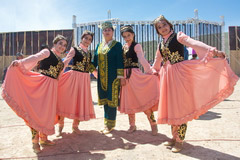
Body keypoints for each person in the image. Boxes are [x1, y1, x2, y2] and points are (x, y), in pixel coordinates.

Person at [151, 15, 239, 153]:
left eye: (164, 25)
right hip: (167, 76)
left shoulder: (178, 36)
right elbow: (157, 60)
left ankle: (180, 140)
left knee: (180, 107)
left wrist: (213, 51)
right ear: (157, 31)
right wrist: (151, 72)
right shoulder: (160, 43)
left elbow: (194, 43)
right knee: (172, 106)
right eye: (159, 27)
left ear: (169, 24)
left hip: (179, 74)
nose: (163, 28)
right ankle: (174, 137)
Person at [1, 35, 68, 153]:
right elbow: (35, 57)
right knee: (36, 113)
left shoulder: (61, 62)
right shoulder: (47, 52)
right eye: (60, 43)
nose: (62, 47)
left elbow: (59, 77)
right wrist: (20, 62)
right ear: (55, 43)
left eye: (64, 45)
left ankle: (44, 138)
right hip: (42, 85)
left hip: (51, 89)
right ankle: (35, 142)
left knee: (47, 114)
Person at [119, 25, 159, 135]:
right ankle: (132, 125)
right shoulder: (123, 47)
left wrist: (150, 71)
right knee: (129, 102)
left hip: (135, 75)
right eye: (125, 36)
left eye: (129, 35)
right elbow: (120, 63)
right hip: (125, 77)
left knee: (143, 100)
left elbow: (142, 59)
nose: (127, 38)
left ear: (133, 34)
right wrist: (120, 77)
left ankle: (153, 124)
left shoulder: (137, 46)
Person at [56, 30, 96, 136]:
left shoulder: (89, 53)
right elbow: (66, 61)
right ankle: (60, 126)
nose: (87, 41)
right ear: (82, 38)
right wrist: (57, 74)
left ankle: (75, 126)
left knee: (79, 102)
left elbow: (90, 67)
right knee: (66, 100)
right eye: (86, 38)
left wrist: (99, 76)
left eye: (90, 39)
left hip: (84, 79)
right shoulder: (74, 49)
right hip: (73, 78)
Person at [92, 21, 124, 134]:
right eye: (105, 30)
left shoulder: (117, 45)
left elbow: (120, 61)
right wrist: (91, 70)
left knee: (112, 101)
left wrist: (121, 76)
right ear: (102, 32)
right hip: (101, 79)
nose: (107, 32)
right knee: (105, 100)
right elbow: (94, 61)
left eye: (109, 30)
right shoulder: (99, 46)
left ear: (113, 31)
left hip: (113, 78)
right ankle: (106, 123)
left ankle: (110, 125)